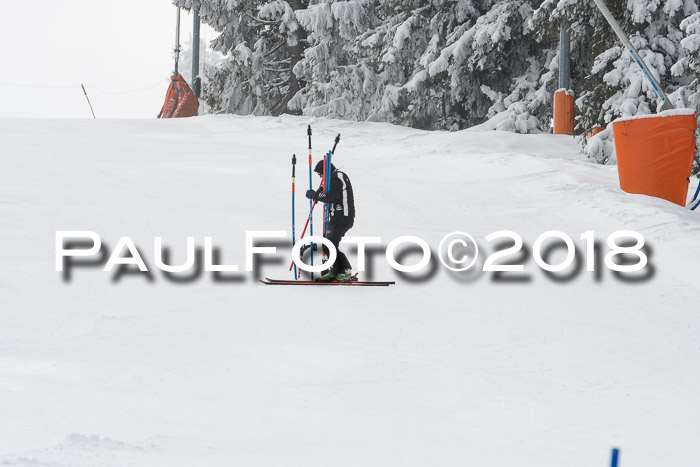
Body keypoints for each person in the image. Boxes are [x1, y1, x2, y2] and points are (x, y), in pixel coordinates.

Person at [306, 160, 355, 281]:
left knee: (330, 244)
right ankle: (336, 270)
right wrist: (318, 193)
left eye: (320, 174)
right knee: (327, 244)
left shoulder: (336, 178)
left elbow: (331, 197)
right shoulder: (333, 178)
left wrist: (315, 195)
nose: (321, 177)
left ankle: (344, 271)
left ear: (325, 172)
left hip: (343, 216)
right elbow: (328, 194)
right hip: (337, 217)